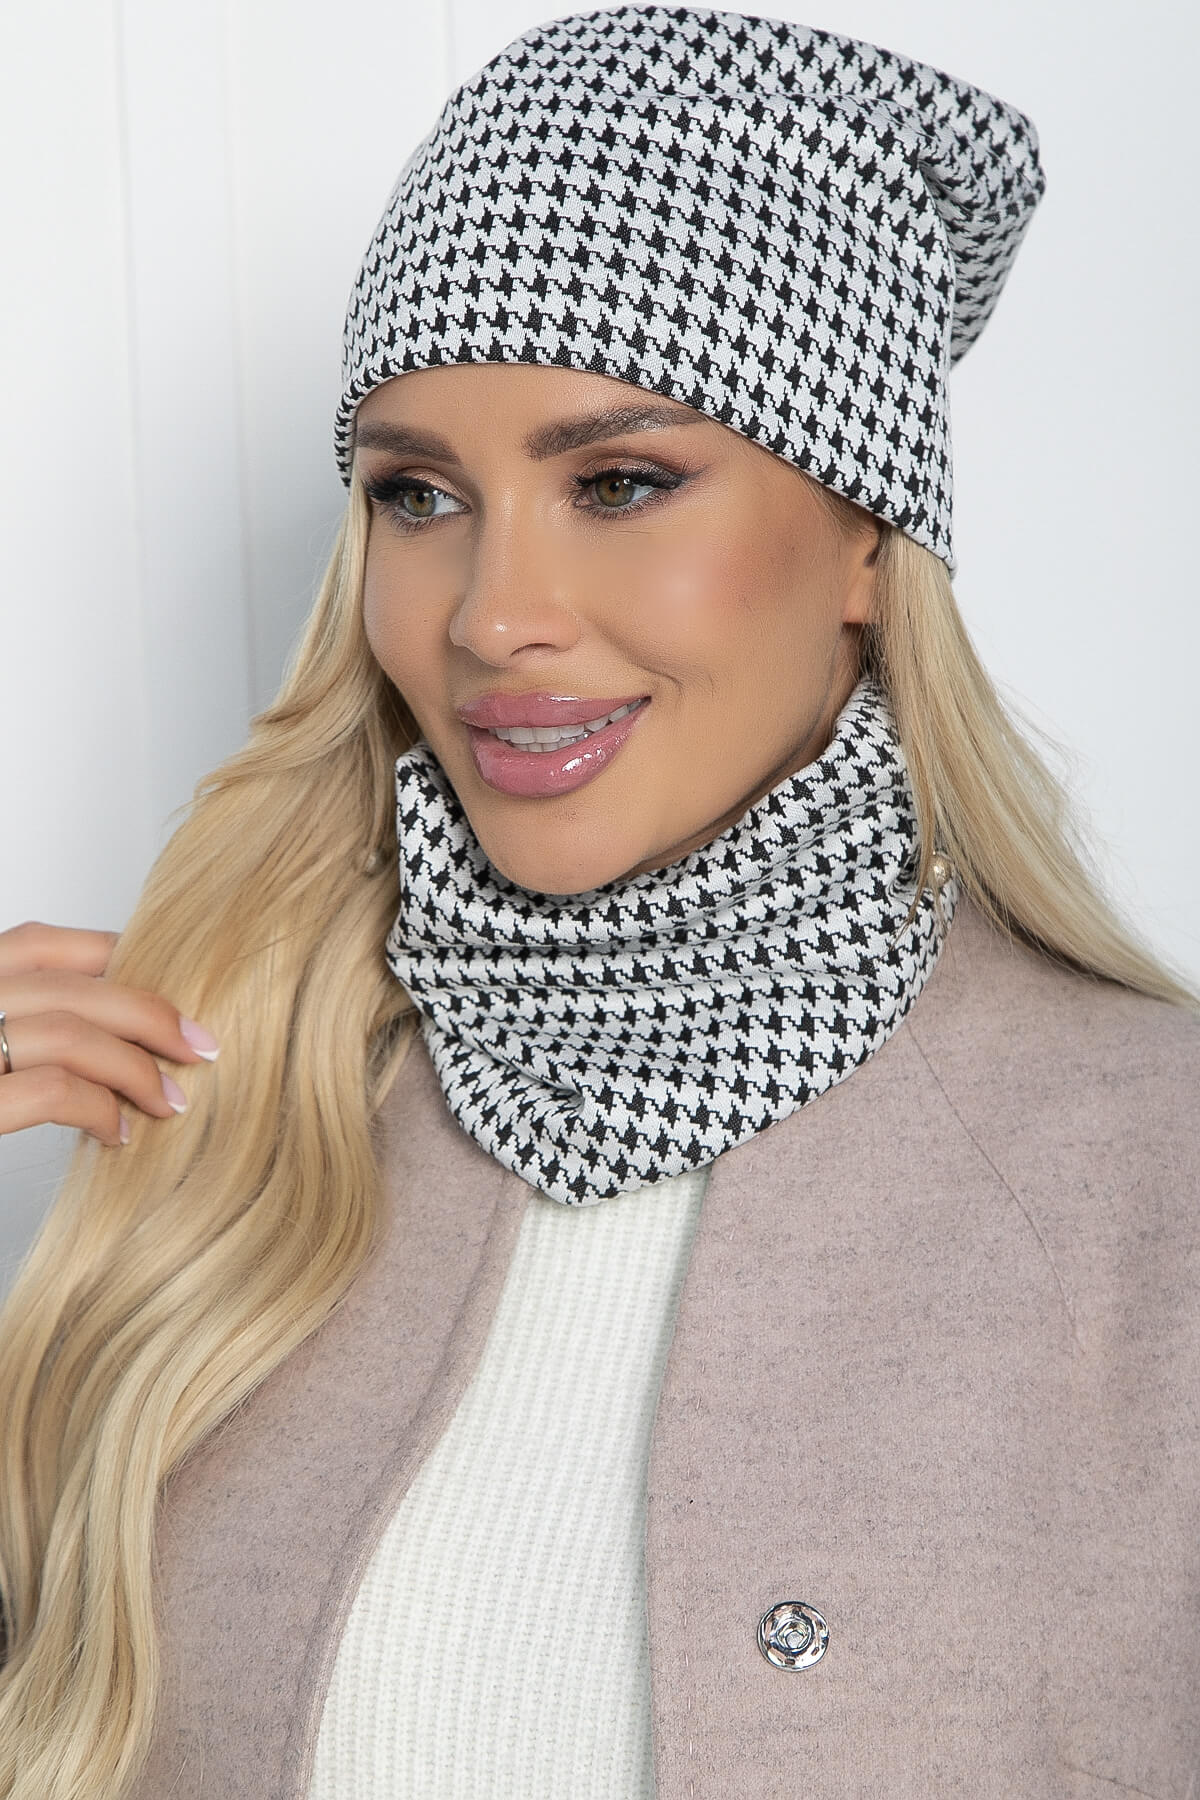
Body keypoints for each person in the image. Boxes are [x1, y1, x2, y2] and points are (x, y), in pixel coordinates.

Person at [0, 6, 1197, 1797]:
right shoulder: (230, 1136)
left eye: (620, 482)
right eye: (419, 496)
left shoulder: (1151, 1175)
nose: (493, 615)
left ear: (870, 537)